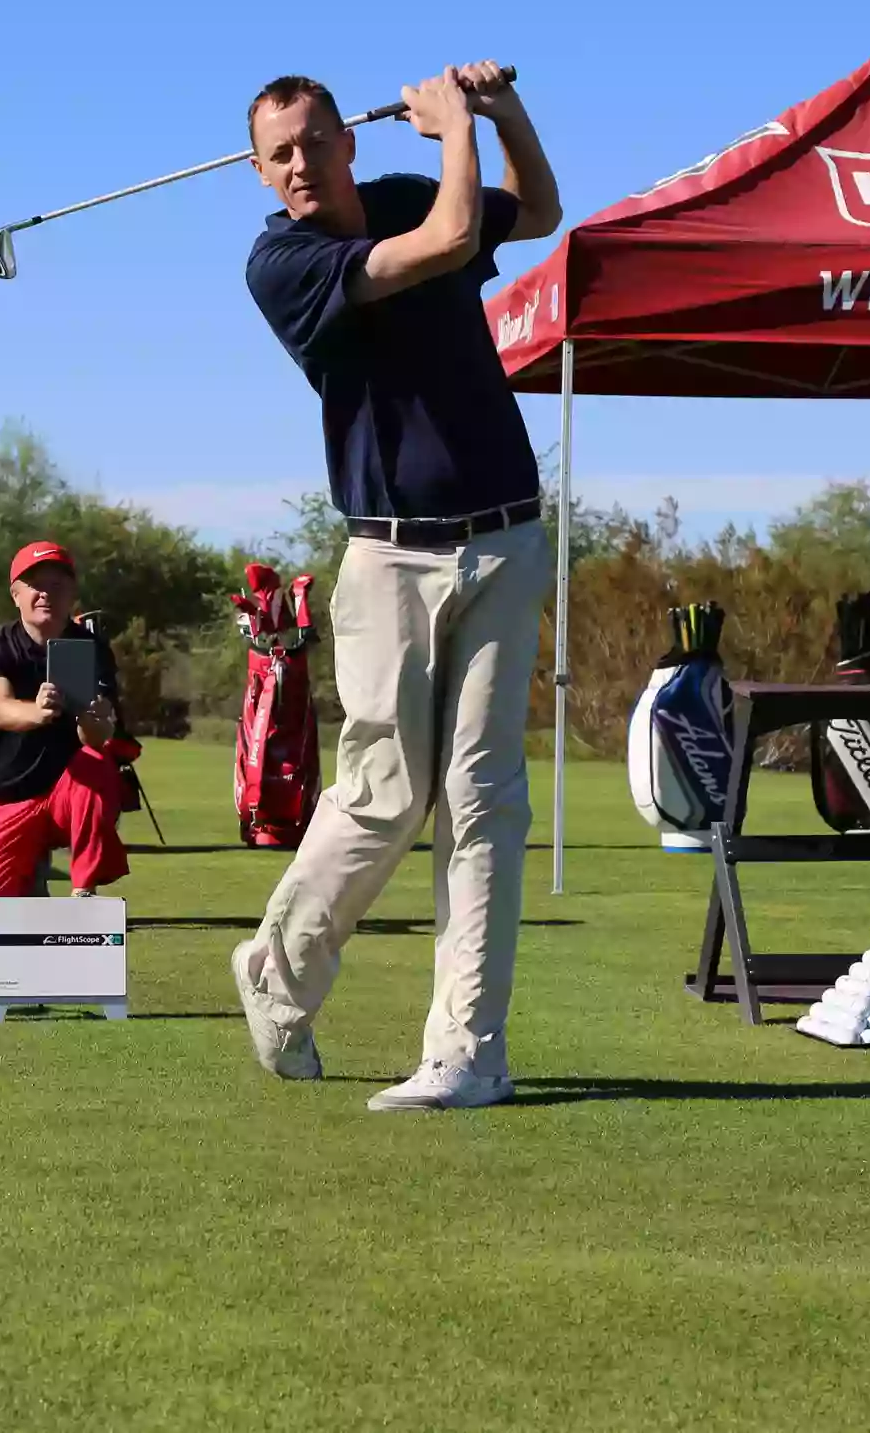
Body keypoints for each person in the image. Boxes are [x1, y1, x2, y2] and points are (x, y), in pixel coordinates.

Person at [232, 60, 561, 1111]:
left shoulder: (411, 191)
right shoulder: (284, 262)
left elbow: (540, 210)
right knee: (383, 796)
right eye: (278, 152)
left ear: (348, 141)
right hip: (388, 557)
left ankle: (470, 1052)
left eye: (313, 141)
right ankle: (275, 973)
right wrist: (454, 124)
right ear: (257, 169)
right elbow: (453, 243)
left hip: (504, 536)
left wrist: (500, 112)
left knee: (483, 801)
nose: (298, 164)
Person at [0, 540, 132, 929]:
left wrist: (94, 719)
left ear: (72, 594)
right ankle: (28, 873)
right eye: (34, 585)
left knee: (97, 763)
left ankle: (82, 892)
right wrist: (38, 711)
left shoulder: (92, 649)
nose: (45, 593)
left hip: (67, 797)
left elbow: (98, 738)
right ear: (15, 594)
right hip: (8, 796)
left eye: (57, 584)